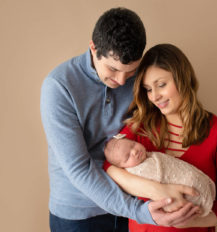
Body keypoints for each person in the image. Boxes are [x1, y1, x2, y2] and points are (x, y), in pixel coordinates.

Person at [41, 8, 199, 232]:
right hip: (79, 216)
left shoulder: (138, 78)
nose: (121, 80)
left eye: (130, 71)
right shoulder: (59, 87)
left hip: (134, 209)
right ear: (93, 47)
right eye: (113, 69)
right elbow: (79, 168)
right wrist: (138, 210)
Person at [105, 43, 217, 232]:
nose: (155, 96)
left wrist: (184, 220)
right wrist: (157, 191)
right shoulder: (140, 127)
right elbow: (108, 166)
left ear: (182, 78)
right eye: (148, 89)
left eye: (161, 85)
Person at [104, 136, 216, 217]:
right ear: (122, 167)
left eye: (133, 144)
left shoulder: (144, 152)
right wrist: (159, 190)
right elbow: (106, 167)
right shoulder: (136, 171)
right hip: (170, 209)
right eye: (127, 156)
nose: (134, 151)